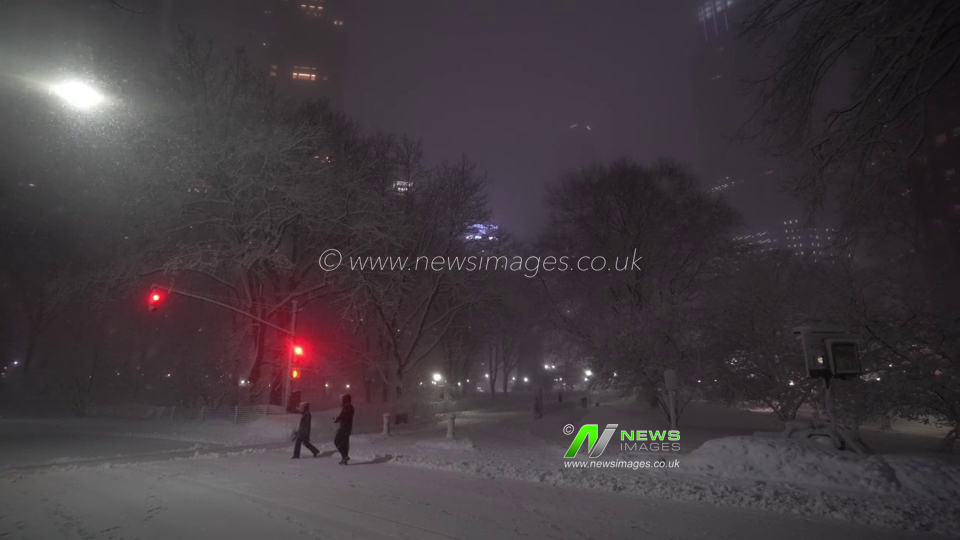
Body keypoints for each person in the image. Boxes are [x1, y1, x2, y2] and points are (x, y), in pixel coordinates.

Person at [333, 393, 354, 465]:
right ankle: (344, 457)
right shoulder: (350, 407)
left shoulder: (346, 407)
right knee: (345, 443)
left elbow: (342, 416)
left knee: (337, 441)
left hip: (344, 428)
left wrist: (336, 419)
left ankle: (345, 456)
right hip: (347, 428)